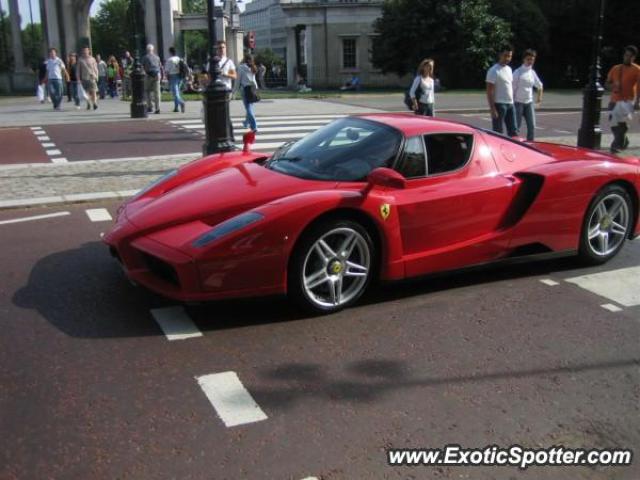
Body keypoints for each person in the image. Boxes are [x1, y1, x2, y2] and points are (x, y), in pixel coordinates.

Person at [606, 45, 640, 153]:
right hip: (614, 99)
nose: (627, 58)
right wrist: (612, 87)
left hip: (628, 101)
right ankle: (623, 140)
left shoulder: (637, 70)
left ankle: (615, 145)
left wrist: (638, 102)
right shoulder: (616, 68)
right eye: (626, 55)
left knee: (622, 123)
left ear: (633, 57)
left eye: (630, 56)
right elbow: (607, 83)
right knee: (613, 123)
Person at [486, 45, 517, 137]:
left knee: (513, 131)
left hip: (510, 104)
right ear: (500, 55)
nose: (507, 58)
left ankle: (514, 150)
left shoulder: (509, 69)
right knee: (498, 133)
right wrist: (492, 108)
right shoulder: (493, 70)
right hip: (499, 105)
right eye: (505, 55)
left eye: (510, 56)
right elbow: (489, 91)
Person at [513, 49, 543, 141]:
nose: (530, 61)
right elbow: (512, 88)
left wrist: (539, 99)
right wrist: (512, 102)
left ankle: (530, 143)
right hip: (518, 102)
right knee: (516, 127)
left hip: (529, 103)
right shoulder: (517, 72)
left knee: (532, 126)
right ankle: (514, 144)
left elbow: (540, 85)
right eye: (528, 59)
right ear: (524, 59)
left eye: (532, 59)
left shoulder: (532, 72)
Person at [237, 53, 259, 132]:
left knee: (248, 108)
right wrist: (256, 88)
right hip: (252, 88)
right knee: (250, 107)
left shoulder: (241, 67)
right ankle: (246, 122)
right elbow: (254, 79)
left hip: (245, 89)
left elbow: (238, 80)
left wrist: (234, 90)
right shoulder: (253, 67)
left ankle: (254, 126)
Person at [142, 44, 162, 114]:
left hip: (148, 75)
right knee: (157, 93)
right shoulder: (157, 57)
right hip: (157, 75)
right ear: (153, 50)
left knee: (147, 91)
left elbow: (142, 67)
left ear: (147, 50)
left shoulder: (145, 57)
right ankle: (158, 108)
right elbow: (160, 66)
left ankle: (150, 106)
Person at [165, 46, 186, 113]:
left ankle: (181, 102)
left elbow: (167, 70)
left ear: (170, 52)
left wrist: (167, 77)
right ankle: (176, 107)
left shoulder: (170, 60)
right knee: (177, 92)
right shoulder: (179, 59)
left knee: (175, 93)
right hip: (180, 76)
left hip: (172, 76)